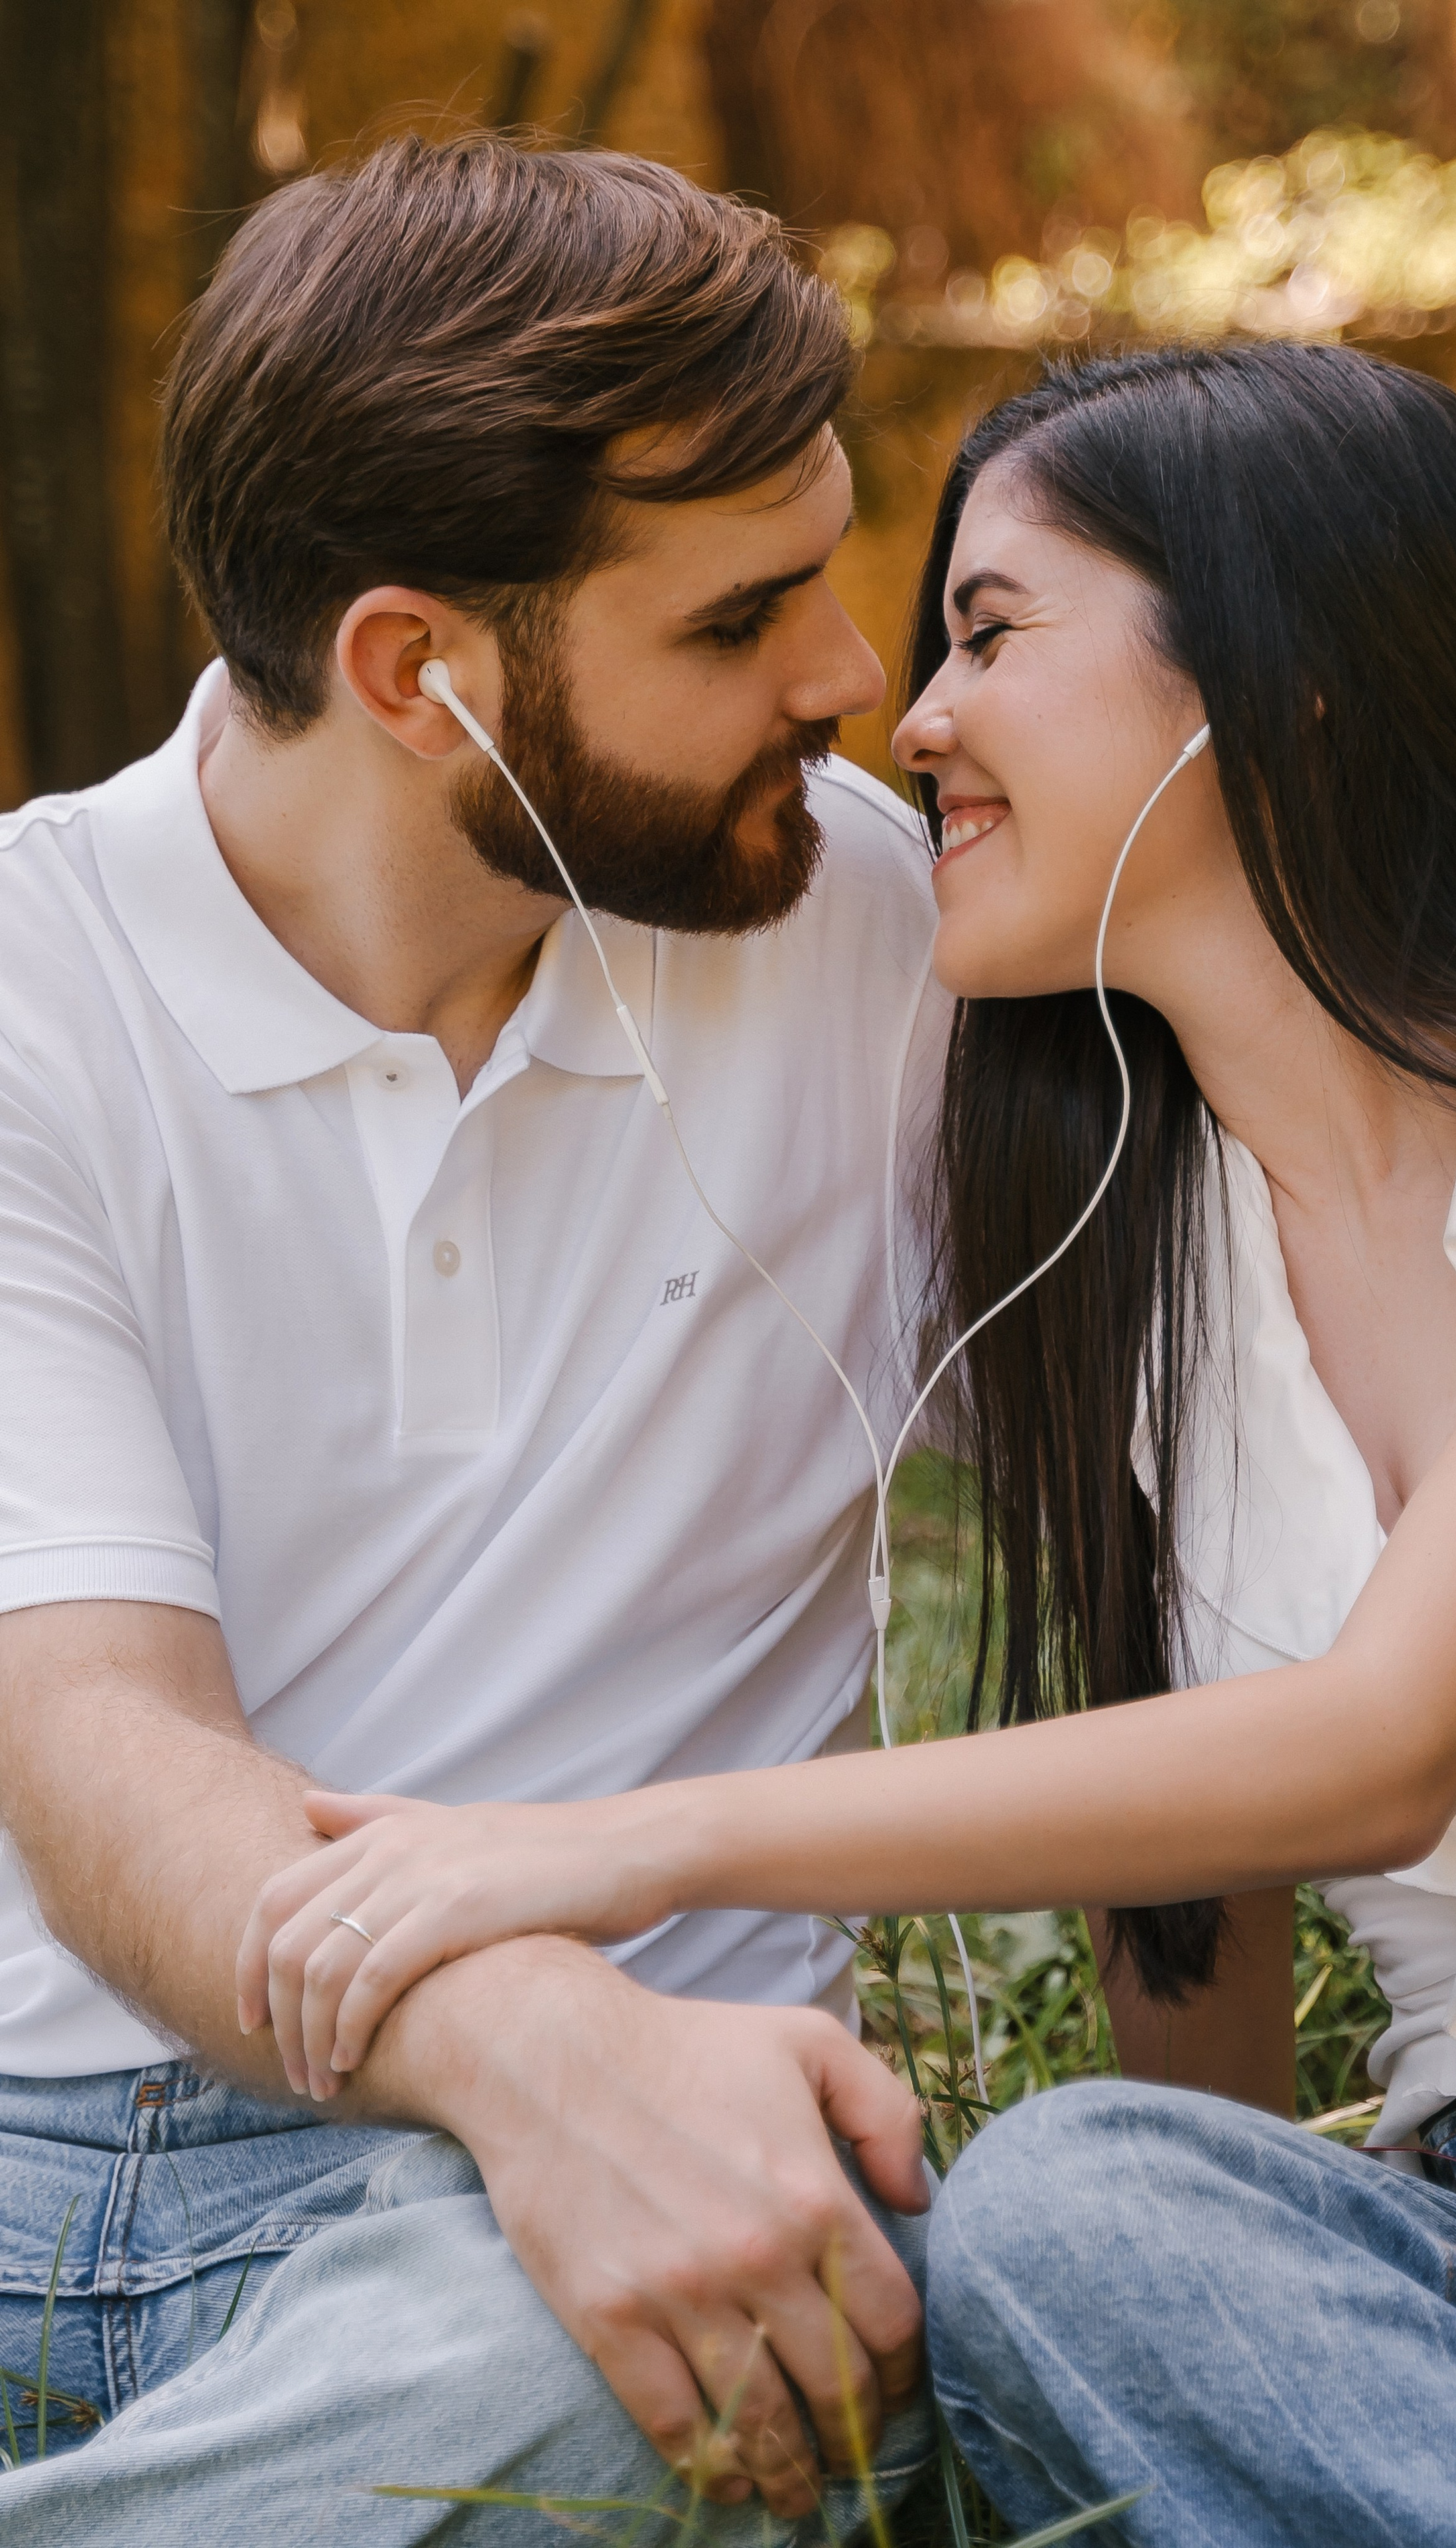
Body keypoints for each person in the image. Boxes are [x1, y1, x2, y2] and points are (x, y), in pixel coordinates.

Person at [254, 342, 1456, 2546]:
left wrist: (628, 1845)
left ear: (1287, 672)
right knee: (1072, 2213)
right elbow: (1182, 1922)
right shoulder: (1131, 1246)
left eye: (991, 633)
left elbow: (1391, 1737)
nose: (909, 719)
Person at [0, 136, 949, 2539]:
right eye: (741, 626)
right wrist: (521, 2028)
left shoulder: (887, 934)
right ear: (421, 671)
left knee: (605, 2374)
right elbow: (92, 1716)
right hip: (33, 2155)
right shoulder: (26, 997)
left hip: (578, 2225)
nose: (855, 684)